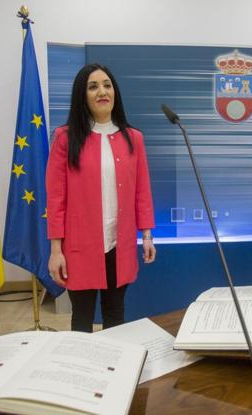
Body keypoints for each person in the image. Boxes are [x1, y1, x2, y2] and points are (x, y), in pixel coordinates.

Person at [46, 63, 156, 333]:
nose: (101, 91)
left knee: (115, 316)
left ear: (114, 92)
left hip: (120, 242)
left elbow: (142, 190)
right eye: (93, 86)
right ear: (82, 95)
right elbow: (56, 197)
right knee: (82, 319)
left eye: (107, 85)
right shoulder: (65, 137)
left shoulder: (134, 138)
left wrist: (147, 235)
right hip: (79, 244)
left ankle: (114, 371)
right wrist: (55, 250)